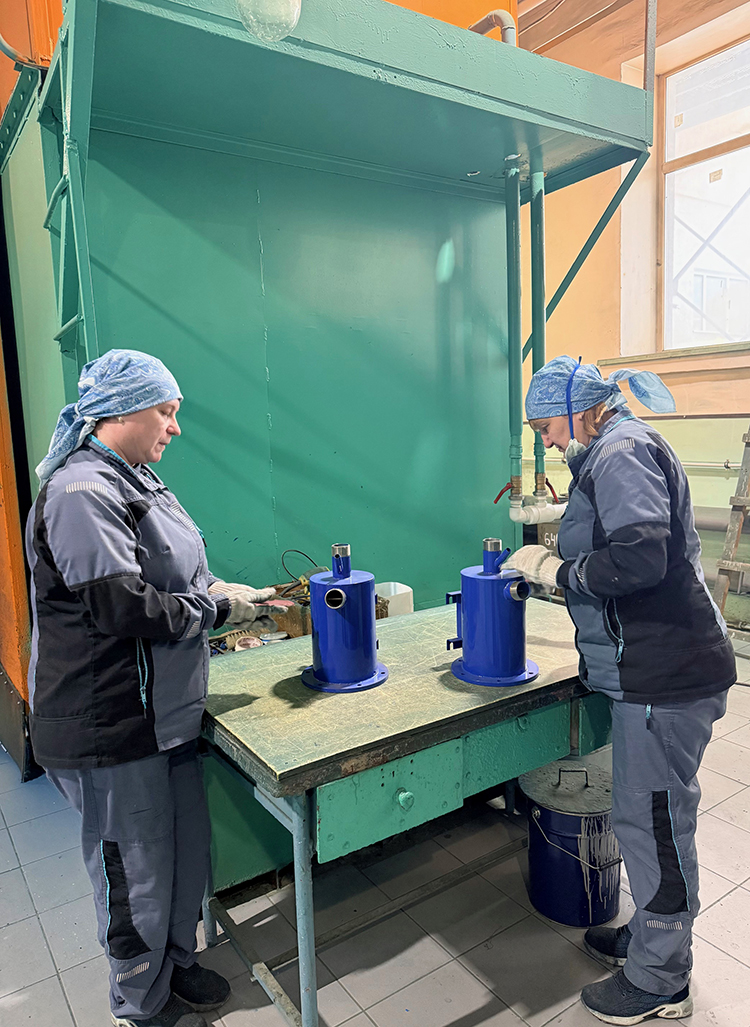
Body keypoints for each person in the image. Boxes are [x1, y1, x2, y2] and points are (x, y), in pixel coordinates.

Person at [26, 349, 283, 1027]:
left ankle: (176, 961)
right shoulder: (82, 491)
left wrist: (222, 588)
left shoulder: (139, 480)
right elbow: (123, 606)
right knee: (135, 872)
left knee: (184, 854)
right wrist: (217, 611)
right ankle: (139, 1003)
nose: (175, 427)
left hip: (165, 715)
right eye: (165, 412)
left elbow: (176, 572)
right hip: (111, 723)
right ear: (122, 411)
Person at [507, 355, 736, 1026]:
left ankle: (662, 979)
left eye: (546, 428)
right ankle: (649, 937)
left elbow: (639, 558)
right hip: (652, 669)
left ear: (580, 409)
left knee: (655, 821)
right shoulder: (611, 450)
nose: (549, 442)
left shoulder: (620, 450)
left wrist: (556, 570)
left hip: (664, 675)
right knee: (646, 815)